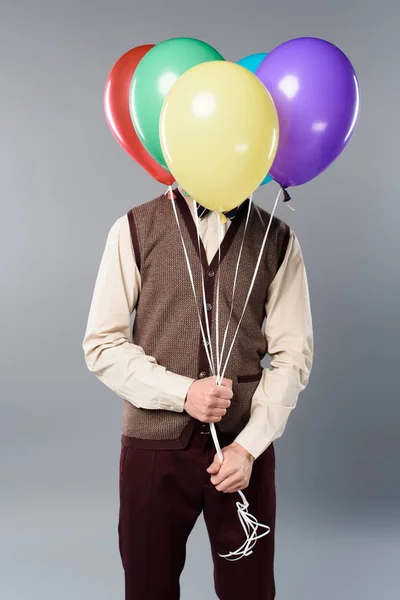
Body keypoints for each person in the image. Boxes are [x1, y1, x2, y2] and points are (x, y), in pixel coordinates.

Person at [82, 185, 313, 600]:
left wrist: (250, 446)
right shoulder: (134, 228)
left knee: (251, 591)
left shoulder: (277, 238)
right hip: (153, 448)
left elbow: (293, 357)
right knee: (148, 588)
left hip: (243, 452)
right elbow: (102, 344)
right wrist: (183, 392)